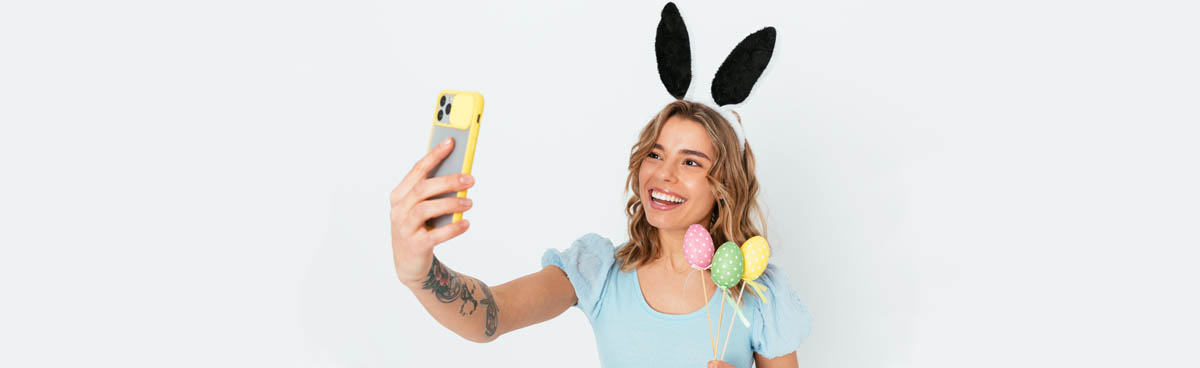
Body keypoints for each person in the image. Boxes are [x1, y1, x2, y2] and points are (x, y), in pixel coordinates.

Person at [389, 100, 813, 367]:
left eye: (690, 163)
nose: (662, 174)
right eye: (655, 154)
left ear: (724, 185)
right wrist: (420, 273)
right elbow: (490, 316)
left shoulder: (759, 293)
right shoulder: (601, 270)